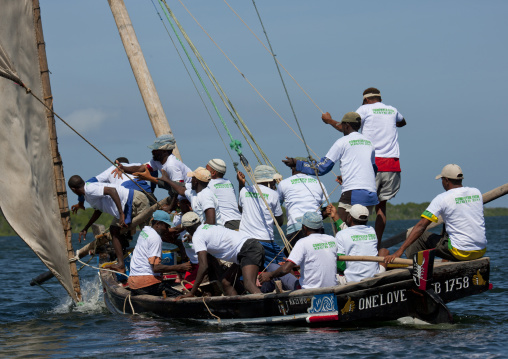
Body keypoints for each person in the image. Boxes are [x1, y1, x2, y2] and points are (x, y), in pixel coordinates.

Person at [321, 88, 406, 241]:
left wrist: (329, 121)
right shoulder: (392, 110)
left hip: (373, 163)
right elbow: (402, 122)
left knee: (354, 210)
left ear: (366, 99)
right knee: (382, 207)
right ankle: (377, 243)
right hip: (393, 165)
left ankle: (350, 243)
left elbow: (345, 126)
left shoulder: (364, 108)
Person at [283, 112, 378, 228]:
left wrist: (297, 163)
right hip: (371, 194)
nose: (341, 128)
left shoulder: (342, 142)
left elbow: (322, 168)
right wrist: (347, 177)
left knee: (341, 227)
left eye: (342, 125)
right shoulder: (369, 143)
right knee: (360, 228)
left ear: (347, 125)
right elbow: (373, 169)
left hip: (353, 193)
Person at [385, 164, 487, 263]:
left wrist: (400, 250)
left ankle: (414, 268)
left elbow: (421, 226)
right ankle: (444, 259)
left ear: (446, 180)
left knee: (420, 237)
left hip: (460, 252)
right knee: (450, 225)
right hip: (480, 250)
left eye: (442, 180)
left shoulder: (443, 198)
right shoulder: (476, 193)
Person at [68, 175, 149, 273]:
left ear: (73, 189)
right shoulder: (88, 194)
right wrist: (86, 227)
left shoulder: (89, 189)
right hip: (125, 206)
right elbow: (98, 211)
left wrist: (121, 214)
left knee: (148, 233)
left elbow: (112, 191)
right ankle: (121, 265)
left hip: (135, 201)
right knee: (114, 230)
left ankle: (154, 262)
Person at [178, 212, 264, 298]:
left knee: (249, 284)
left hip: (248, 250)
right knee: (226, 282)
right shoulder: (208, 226)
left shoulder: (197, 236)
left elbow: (204, 266)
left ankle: (268, 308)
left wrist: (192, 292)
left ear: (186, 228)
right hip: (251, 246)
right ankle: (237, 309)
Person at [258, 212, 338, 289]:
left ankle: (262, 298)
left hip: (308, 290)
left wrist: (269, 275)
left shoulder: (303, 242)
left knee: (272, 267)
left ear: (304, 228)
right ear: (320, 227)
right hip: (332, 287)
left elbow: (285, 270)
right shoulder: (332, 240)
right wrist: (292, 264)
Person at [128, 210, 192, 296]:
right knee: (181, 297)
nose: (167, 229)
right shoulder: (155, 238)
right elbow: (156, 268)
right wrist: (180, 267)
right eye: (166, 226)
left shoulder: (145, 231)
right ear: (158, 224)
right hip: (146, 284)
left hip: (133, 282)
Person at [277, 159, 329, 252]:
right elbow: (328, 209)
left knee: (294, 261)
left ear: (293, 168)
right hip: (317, 228)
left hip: (295, 228)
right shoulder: (319, 183)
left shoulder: (283, 183)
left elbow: (276, 206)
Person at [327, 204, 388, 283]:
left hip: (351, 280)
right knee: (384, 251)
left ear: (350, 218)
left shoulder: (342, 234)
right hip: (373, 277)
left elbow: (340, 265)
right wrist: (335, 216)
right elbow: (350, 232)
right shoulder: (372, 231)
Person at [237, 165, 284, 266]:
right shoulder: (273, 194)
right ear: (269, 181)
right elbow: (280, 222)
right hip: (265, 241)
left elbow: (241, 209)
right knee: (283, 264)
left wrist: (241, 185)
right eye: (273, 181)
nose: (274, 183)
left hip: (245, 241)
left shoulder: (244, 190)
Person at [71, 157, 153, 214]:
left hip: (127, 190)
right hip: (145, 188)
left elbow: (85, 185)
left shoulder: (112, 168)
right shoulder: (137, 164)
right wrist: (152, 188)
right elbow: (153, 172)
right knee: (153, 207)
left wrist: (80, 202)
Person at [112, 134, 192, 191]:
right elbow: (141, 168)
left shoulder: (171, 165)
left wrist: (171, 206)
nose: (152, 151)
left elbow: (179, 188)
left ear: (164, 151)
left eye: (156, 150)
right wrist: (124, 168)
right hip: (178, 192)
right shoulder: (157, 160)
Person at [159, 166, 224, 226]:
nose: (190, 180)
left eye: (192, 178)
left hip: (213, 233)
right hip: (205, 231)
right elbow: (181, 190)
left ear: (196, 181)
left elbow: (211, 222)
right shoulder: (194, 193)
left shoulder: (206, 195)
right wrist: (167, 180)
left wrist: (199, 233)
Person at [206, 158, 242, 230]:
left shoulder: (209, 184)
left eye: (206, 170)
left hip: (227, 223)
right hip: (240, 221)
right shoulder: (228, 182)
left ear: (213, 173)